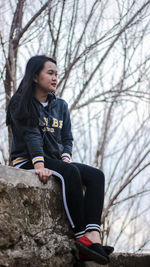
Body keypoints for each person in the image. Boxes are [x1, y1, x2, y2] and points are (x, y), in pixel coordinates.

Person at [6, 55, 113, 265]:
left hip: (53, 159)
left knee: (95, 175)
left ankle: (93, 236)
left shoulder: (60, 106)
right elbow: (31, 134)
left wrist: (65, 156)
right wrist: (39, 164)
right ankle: (81, 236)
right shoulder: (21, 101)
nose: (55, 78)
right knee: (70, 172)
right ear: (35, 76)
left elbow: (66, 137)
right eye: (50, 73)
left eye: (56, 73)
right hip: (26, 159)